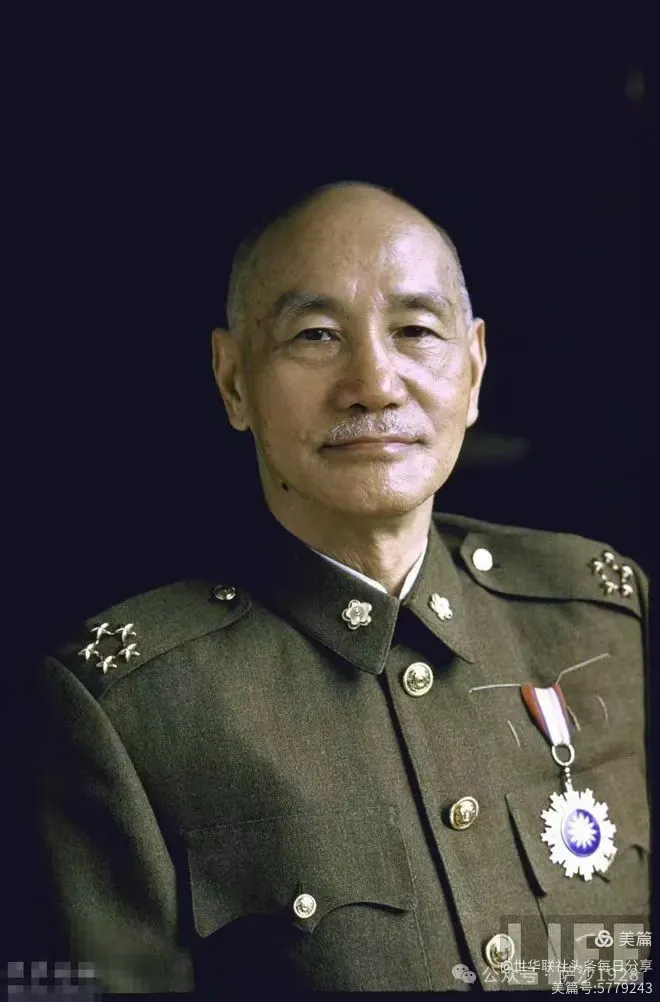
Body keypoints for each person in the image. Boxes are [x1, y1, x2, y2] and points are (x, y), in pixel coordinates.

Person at [24, 182, 649, 993]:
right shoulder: (127, 709)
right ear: (233, 380)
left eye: (416, 331)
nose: (374, 383)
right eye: (315, 335)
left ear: (473, 368)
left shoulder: (605, 619)